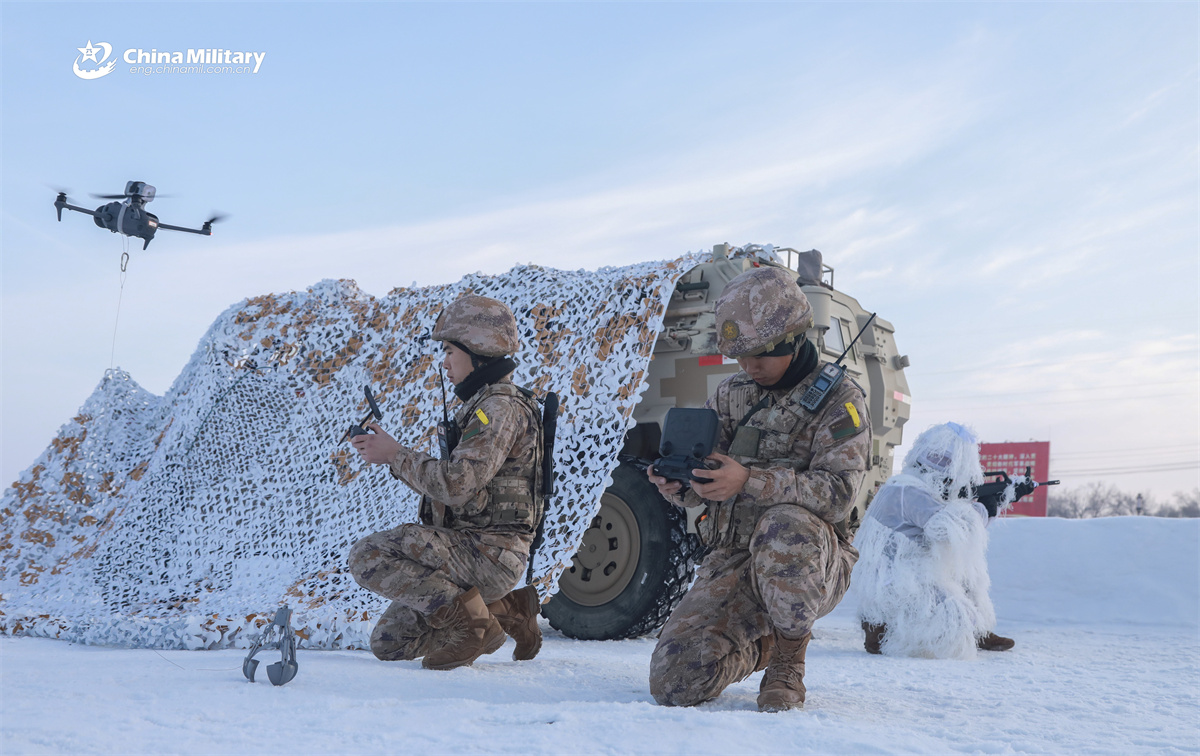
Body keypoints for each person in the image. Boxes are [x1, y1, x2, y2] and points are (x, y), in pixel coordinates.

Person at [646, 266, 871, 712]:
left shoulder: (840, 400)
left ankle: (788, 661)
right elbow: (708, 484)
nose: (749, 367)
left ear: (792, 339)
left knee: (784, 523)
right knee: (675, 682)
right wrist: (680, 485)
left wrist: (750, 481)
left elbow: (839, 494)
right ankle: (766, 643)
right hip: (736, 556)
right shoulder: (731, 394)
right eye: (740, 356)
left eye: (760, 355)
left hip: (808, 559)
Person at [347, 294, 544, 670]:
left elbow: (457, 486)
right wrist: (391, 455)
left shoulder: (497, 409)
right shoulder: (482, 407)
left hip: (489, 554)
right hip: (472, 550)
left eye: (451, 351)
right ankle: (507, 609)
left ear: (479, 350)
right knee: (389, 643)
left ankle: (473, 627)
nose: (445, 362)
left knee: (367, 555)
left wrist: (395, 455)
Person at [852, 422, 1015, 659]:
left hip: (900, 567)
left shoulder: (905, 483)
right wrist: (984, 509)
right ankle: (879, 628)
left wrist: (982, 508)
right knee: (951, 616)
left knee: (963, 574)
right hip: (896, 575)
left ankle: (977, 630)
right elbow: (948, 530)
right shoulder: (909, 490)